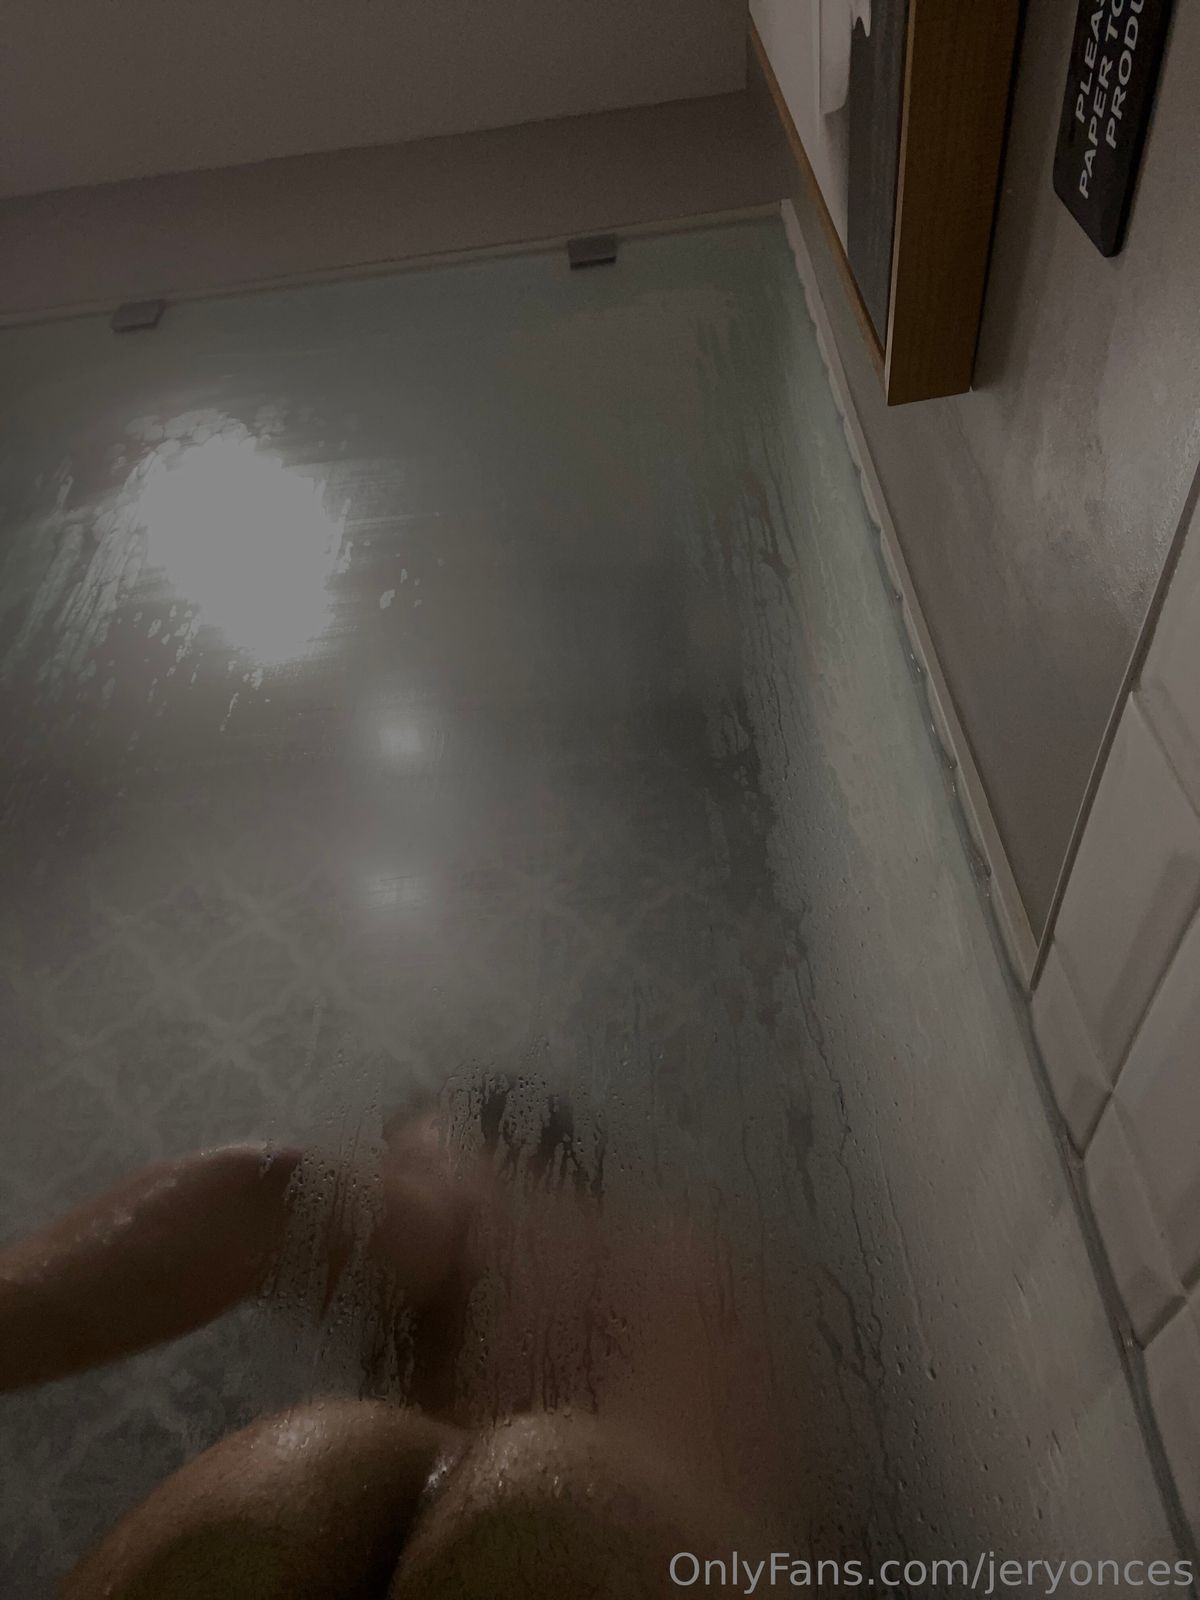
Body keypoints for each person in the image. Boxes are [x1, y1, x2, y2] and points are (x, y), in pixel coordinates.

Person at [0, 1089, 753, 1597]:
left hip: (543, 1526)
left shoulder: (480, 1195)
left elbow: (266, 1196)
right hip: (699, 1566)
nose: (386, 1174)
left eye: (395, 1160)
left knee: (319, 1466)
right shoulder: (725, 1278)